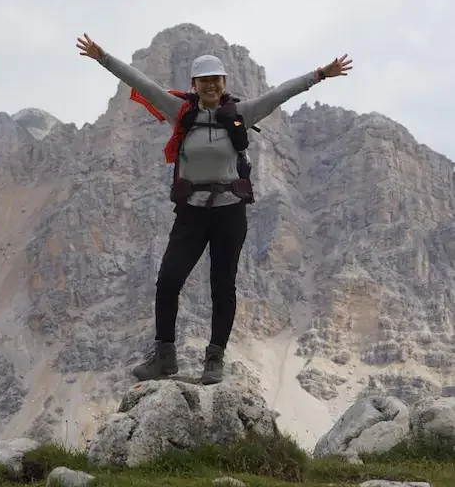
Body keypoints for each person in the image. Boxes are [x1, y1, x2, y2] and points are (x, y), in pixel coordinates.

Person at [77, 33, 352, 384]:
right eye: (204, 80)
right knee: (168, 281)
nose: (210, 85)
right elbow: (140, 82)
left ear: (224, 83)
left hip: (229, 213)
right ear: (194, 84)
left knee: (223, 287)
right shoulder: (180, 111)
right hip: (191, 213)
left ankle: (214, 360)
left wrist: (319, 74)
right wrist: (103, 57)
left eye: (216, 80)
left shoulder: (241, 113)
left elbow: (281, 93)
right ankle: (165, 357)